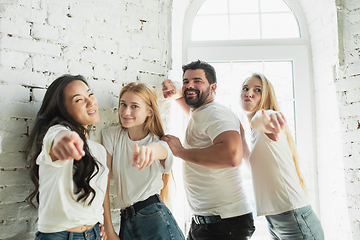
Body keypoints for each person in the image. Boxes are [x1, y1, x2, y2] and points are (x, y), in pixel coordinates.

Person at [161, 60, 255, 240]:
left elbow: (232, 156)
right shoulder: (201, 112)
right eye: (186, 81)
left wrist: (181, 152)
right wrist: (174, 92)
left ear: (213, 87)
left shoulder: (216, 113)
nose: (190, 86)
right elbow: (187, 99)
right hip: (207, 222)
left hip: (225, 223)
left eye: (197, 81)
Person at [240, 73, 324, 240]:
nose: (249, 93)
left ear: (266, 96)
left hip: (294, 217)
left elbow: (263, 117)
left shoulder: (267, 123)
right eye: (246, 88)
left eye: (257, 90)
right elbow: (257, 170)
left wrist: (267, 116)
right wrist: (242, 139)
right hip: (277, 220)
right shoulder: (255, 133)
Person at [24, 74, 108, 240]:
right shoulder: (55, 134)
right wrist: (64, 140)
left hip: (94, 234)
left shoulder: (99, 150)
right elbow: (56, 137)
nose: (91, 102)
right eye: (78, 100)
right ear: (62, 109)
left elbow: (95, 198)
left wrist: (97, 223)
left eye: (90, 95)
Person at [101, 82, 185, 240]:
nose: (126, 111)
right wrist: (109, 228)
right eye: (123, 104)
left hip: (153, 217)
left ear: (150, 111)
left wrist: (149, 151)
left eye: (134, 106)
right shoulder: (112, 136)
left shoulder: (158, 142)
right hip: (127, 220)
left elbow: (161, 150)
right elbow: (103, 184)